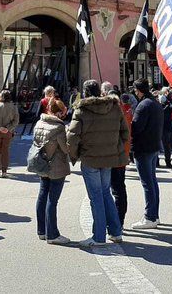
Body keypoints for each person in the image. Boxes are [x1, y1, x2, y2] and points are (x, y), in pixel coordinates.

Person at [68, 80, 128, 246]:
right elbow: (125, 132)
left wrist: (75, 155)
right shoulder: (114, 106)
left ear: (85, 92)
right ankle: (116, 231)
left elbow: (72, 137)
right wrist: (115, 147)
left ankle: (98, 236)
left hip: (91, 157)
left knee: (96, 196)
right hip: (109, 157)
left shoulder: (81, 110)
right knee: (105, 193)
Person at [32, 98, 71, 244]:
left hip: (42, 163)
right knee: (52, 200)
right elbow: (65, 148)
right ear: (59, 113)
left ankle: (41, 230)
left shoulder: (39, 123)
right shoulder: (59, 127)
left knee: (42, 195)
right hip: (56, 165)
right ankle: (52, 234)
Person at [129, 78, 163, 230]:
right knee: (152, 182)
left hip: (143, 148)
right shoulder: (155, 103)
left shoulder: (143, 105)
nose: (135, 93)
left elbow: (136, 128)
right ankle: (154, 215)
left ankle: (150, 216)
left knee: (147, 183)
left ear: (139, 90)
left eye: (135, 90)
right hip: (153, 146)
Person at [112, 92, 135, 225]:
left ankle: (117, 222)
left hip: (116, 156)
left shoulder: (117, 115)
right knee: (119, 189)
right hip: (123, 154)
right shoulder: (126, 112)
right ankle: (119, 221)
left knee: (117, 190)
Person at [158, 93, 172, 168]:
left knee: (158, 146)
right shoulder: (168, 107)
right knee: (167, 146)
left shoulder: (159, 107)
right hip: (167, 128)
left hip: (160, 128)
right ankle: (168, 162)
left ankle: (157, 162)